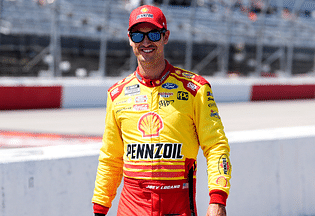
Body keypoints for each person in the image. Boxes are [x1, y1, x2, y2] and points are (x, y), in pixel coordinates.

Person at [92, 4, 231, 216]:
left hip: (177, 208)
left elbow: (216, 147)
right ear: (130, 40)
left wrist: (218, 198)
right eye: (138, 36)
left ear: (165, 37)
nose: (146, 42)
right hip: (131, 209)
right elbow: (111, 158)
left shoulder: (195, 89)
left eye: (153, 34)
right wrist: (99, 209)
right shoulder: (117, 94)